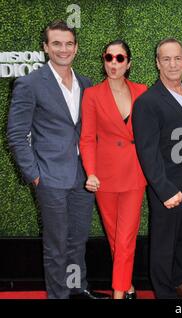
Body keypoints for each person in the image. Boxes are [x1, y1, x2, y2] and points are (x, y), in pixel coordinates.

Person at [7, 20, 109, 299]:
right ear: (45, 47)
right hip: (50, 176)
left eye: (68, 44)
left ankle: (77, 288)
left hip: (83, 175)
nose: (63, 49)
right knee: (56, 244)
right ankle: (59, 296)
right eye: (56, 44)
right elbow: (16, 135)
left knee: (77, 240)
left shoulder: (86, 84)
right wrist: (35, 174)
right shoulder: (29, 84)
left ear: (76, 48)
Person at [132, 38, 182, 299]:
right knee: (163, 246)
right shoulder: (147, 102)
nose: (172, 64)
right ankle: (164, 293)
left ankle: (180, 282)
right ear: (157, 63)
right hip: (168, 188)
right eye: (166, 59)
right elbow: (147, 152)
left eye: (177, 58)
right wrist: (164, 190)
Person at [79, 40, 147, 299]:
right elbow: (87, 138)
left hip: (135, 173)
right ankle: (128, 286)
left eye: (120, 58)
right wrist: (91, 172)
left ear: (128, 63)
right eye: (109, 57)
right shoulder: (92, 95)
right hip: (104, 177)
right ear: (104, 60)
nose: (114, 63)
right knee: (115, 236)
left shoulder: (142, 91)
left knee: (126, 236)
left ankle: (119, 294)